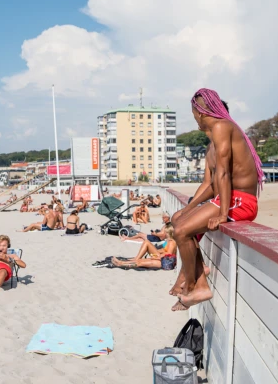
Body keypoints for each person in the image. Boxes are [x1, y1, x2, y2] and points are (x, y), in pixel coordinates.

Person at [170, 88, 264, 312]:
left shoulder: (222, 126)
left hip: (241, 201)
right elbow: (209, 184)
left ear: (200, 112)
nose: (195, 120)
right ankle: (198, 276)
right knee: (177, 220)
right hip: (228, 198)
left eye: (194, 114)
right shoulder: (211, 145)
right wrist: (189, 208)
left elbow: (223, 174)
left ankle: (194, 285)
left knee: (181, 231)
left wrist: (222, 214)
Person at [112, 224, 178, 269]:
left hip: (165, 263)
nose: (164, 233)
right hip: (163, 260)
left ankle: (121, 264)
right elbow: (165, 250)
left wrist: (158, 257)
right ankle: (123, 262)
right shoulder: (169, 241)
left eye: (165, 232)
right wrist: (156, 251)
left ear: (168, 233)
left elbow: (168, 253)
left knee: (140, 263)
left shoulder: (172, 242)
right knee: (141, 260)